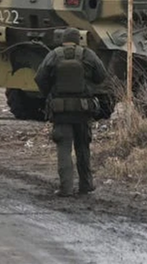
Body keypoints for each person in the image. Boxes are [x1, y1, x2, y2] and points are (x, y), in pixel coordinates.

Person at [34, 27, 107, 196]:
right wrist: (88, 86)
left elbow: (40, 78)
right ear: (78, 40)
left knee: (64, 149)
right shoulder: (87, 55)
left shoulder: (54, 55)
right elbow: (102, 75)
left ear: (63, 40)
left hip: (61, 111)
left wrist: (50, 94)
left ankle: (66, 188)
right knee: (83, 148)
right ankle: (86, 185)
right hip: (83, 110)